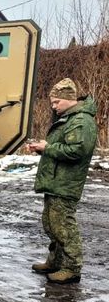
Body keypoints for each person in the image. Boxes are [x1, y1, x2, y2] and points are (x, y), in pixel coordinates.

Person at [27, 78, 97, 285]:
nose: (54, 106)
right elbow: (63, 147)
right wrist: (43, 147)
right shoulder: (70, 119)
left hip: (66, 183)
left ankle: (72, 268)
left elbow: (77, 151)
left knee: (63, 226)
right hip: (56, 181)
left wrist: (47, 148)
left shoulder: (81, 121)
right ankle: (55, 261)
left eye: (57, 102)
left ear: (69, 99)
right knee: (51, 224)